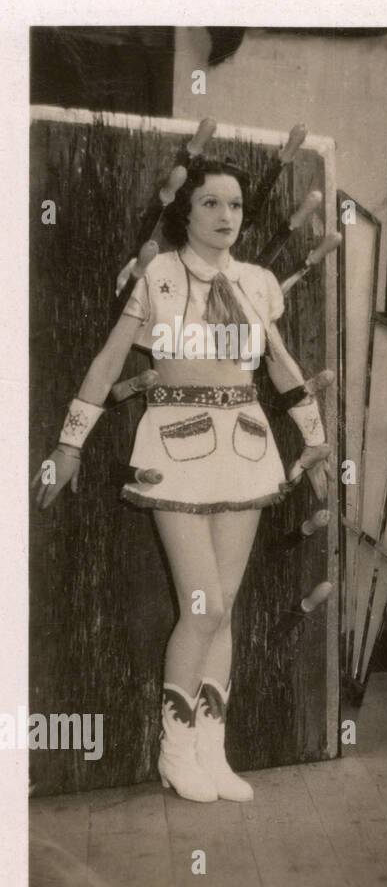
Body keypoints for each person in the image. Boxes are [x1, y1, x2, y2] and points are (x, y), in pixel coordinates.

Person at [33, 155, 328, 804]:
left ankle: (209, 751)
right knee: (206, 604)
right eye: (212, 204)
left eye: (235, 207)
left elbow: (280, 366)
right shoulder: (158, 274)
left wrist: (317, 440)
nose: (226, 217)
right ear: (186, 212)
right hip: (175, 445)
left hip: (247, 448)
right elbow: (108, 362)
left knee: (225, 606)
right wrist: (69, 445)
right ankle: (174, 750)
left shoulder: (254, 282)